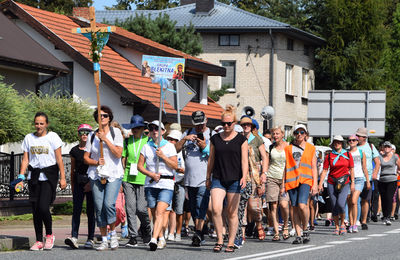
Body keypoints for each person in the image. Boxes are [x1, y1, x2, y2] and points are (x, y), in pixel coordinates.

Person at [18, 112, 67, 251]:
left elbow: (59, 159)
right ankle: (39, 240)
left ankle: (49, 234)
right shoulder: (29, 138)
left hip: (48, 176)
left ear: (47, 124)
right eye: (36, 123)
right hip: (34, 176)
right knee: (35, 210)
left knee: (43, 207)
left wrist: (63, 178)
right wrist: (21, 177)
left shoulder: (53, 137)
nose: (38, 126)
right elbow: (25, 159)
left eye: (41, 123)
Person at [206, 105, 248, 253]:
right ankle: (219, 239)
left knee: (231, 212)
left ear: (234, 123)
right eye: (223, 123)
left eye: (229, 123)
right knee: (215, 209)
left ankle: (230, 242)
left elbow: (244, 161)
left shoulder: (241, 139)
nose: (226, 126)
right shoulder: (215, 139)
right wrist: (207, 177)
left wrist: (244, 176)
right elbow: (211, 159)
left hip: (235, 179)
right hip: (218, 178)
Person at [84, 106, 124, 251]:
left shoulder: (116, 132)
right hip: (96, 174)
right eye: (100, 116)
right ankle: (104, 239)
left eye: (105, 116)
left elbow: (118, 154)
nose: (102, 118)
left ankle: (113, 234)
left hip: (113, 173)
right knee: (99, 207)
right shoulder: (92, 136)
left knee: (108, 204)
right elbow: (86, 158)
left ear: (109, 117)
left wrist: (105, 139)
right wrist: (96, 162)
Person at [137, 121, 177, 251]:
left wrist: (163, 157)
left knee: (160, 212)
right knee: (154, 213)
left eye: (157, 128)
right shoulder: (146, 146)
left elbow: (175, 166)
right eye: (152, 129)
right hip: (151, 183)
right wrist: (151, 174)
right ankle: (161, 238)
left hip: (166, 183)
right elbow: (139, 166)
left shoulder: (170, 147)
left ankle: (153, 239)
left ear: (163, 131)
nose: (154, 131)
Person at [175, 111, 211, 247]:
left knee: (201, 205)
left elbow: (215, 155)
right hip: (189, 179)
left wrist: (204, 147)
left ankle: (198, 233)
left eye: (202, 124)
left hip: (204, 178)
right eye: (197, 124)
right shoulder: (188, 132)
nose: (200, 127)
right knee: (193, 208)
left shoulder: (211, 134)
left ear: (206, 121)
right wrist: (184, 139)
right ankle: (201, 231)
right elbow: (175, 149)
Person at [234, 116, 267, 248]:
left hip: (255, 173)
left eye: (248, 124)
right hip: (241, 173)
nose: (246, 126)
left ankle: (259, 223)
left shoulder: (257, 139)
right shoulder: (237, 138)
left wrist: (263, 174)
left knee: (254, 205)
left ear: (252, 126)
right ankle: (240, 232)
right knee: (241, 204)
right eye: (243, 124)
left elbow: (264, 157)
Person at [282, 124, 318, 244]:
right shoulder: (288, 148)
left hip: (306, 180)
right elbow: (285, 167)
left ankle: (305, 229)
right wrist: (283, 184)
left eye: (302, 132)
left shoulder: (311, 148)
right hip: (292, 180)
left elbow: (314, 167)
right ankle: (298, 235)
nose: (299, 135)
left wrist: (315, 184)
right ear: (294, 134)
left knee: (303, 205)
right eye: (297, 132)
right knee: (295, 207)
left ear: (306, 135)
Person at [121, 115, 152, 247]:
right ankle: (133, 236)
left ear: (142, 129)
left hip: (143, 178)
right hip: (128, 177)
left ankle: (146, 227)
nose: (134, 130)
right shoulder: (127, 141)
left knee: (141, 208)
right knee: (130, 208)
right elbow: (124, 157)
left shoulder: (148, 141)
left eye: (137, 128)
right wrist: (123, 171)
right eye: (133, 128)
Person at [65, 124, 95, 249]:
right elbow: (72, 169)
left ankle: (90, 238)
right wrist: (72, 184)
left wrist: (91, 183)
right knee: (76, 210)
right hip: (78, 181)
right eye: (82, 132)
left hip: (91, 181)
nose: (84, 134)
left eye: (87, 132)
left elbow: (96, 167)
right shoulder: (74, 150)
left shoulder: (94, 150)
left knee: (90, 211)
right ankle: (74, 237)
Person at [318, 135, 355, 235]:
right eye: (335, 142)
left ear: (342, 143)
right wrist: (320, 184)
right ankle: (337, 226)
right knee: (334, 205)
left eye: (339, 142)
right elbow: (325, 170)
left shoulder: (347, 154)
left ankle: (342, 223)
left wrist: (353, 183)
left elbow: (351, 169)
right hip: (331, 182)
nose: (337, 143)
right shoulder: (329, 156)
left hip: (344, 182)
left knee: (341, 204)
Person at [265, 126, 290, 241]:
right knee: (273, 206)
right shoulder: (271, 147)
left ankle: (285, 226)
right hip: (272, 178)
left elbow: (290, 164)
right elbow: (267, 162)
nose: (275, 136)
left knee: (284, 205)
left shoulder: (289, 147)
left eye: (277, 134)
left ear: (282, 135)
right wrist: (263, 175)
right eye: (273, 134)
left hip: (285, 179)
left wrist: (285, 183)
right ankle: (276, 232)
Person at [356, 127, 380, 230]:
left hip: (367, 177)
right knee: (355, 200)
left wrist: (375, 173)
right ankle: (355, 220)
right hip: (356, 177)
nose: (356, 137)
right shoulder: (353, 146)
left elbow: (378, 162)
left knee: (365, 200)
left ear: (364, 137)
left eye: (358, 136)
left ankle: (364, 221)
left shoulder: (370, 146)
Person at [165, 129, 185, 241]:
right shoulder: (165, 151)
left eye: (174, 140)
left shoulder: (183, 152)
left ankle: (178, 232)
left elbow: (187, 169)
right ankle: (168, 231)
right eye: (169, 139)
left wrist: (181, 170)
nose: (171, 141)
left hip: (180, 183)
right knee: (168, 209)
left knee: (179, 210)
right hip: (168, 183)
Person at [347, 134, 369, 233]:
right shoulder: (346, 153)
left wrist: (367, 181)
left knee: (354, 201)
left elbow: (364, 167)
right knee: (349, 202)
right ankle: (351, 223)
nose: (351, 142)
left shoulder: (361, 152)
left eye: (353, 140)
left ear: (357, 142)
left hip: (359, 179)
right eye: (350, 140)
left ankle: (355, 223)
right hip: (347, 179)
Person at [378, 141, 400, 225]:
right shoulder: (380, 157)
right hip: (382, 179)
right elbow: (377, 166)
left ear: (391, 148)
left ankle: (388, 217)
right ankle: (385, 215)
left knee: (389, 197)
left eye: (388, 147)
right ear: (383, 148)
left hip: (392, 179)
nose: (386, 148)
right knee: (383, 198)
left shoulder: (395, 157)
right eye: (385, 147)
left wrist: (398, 172)